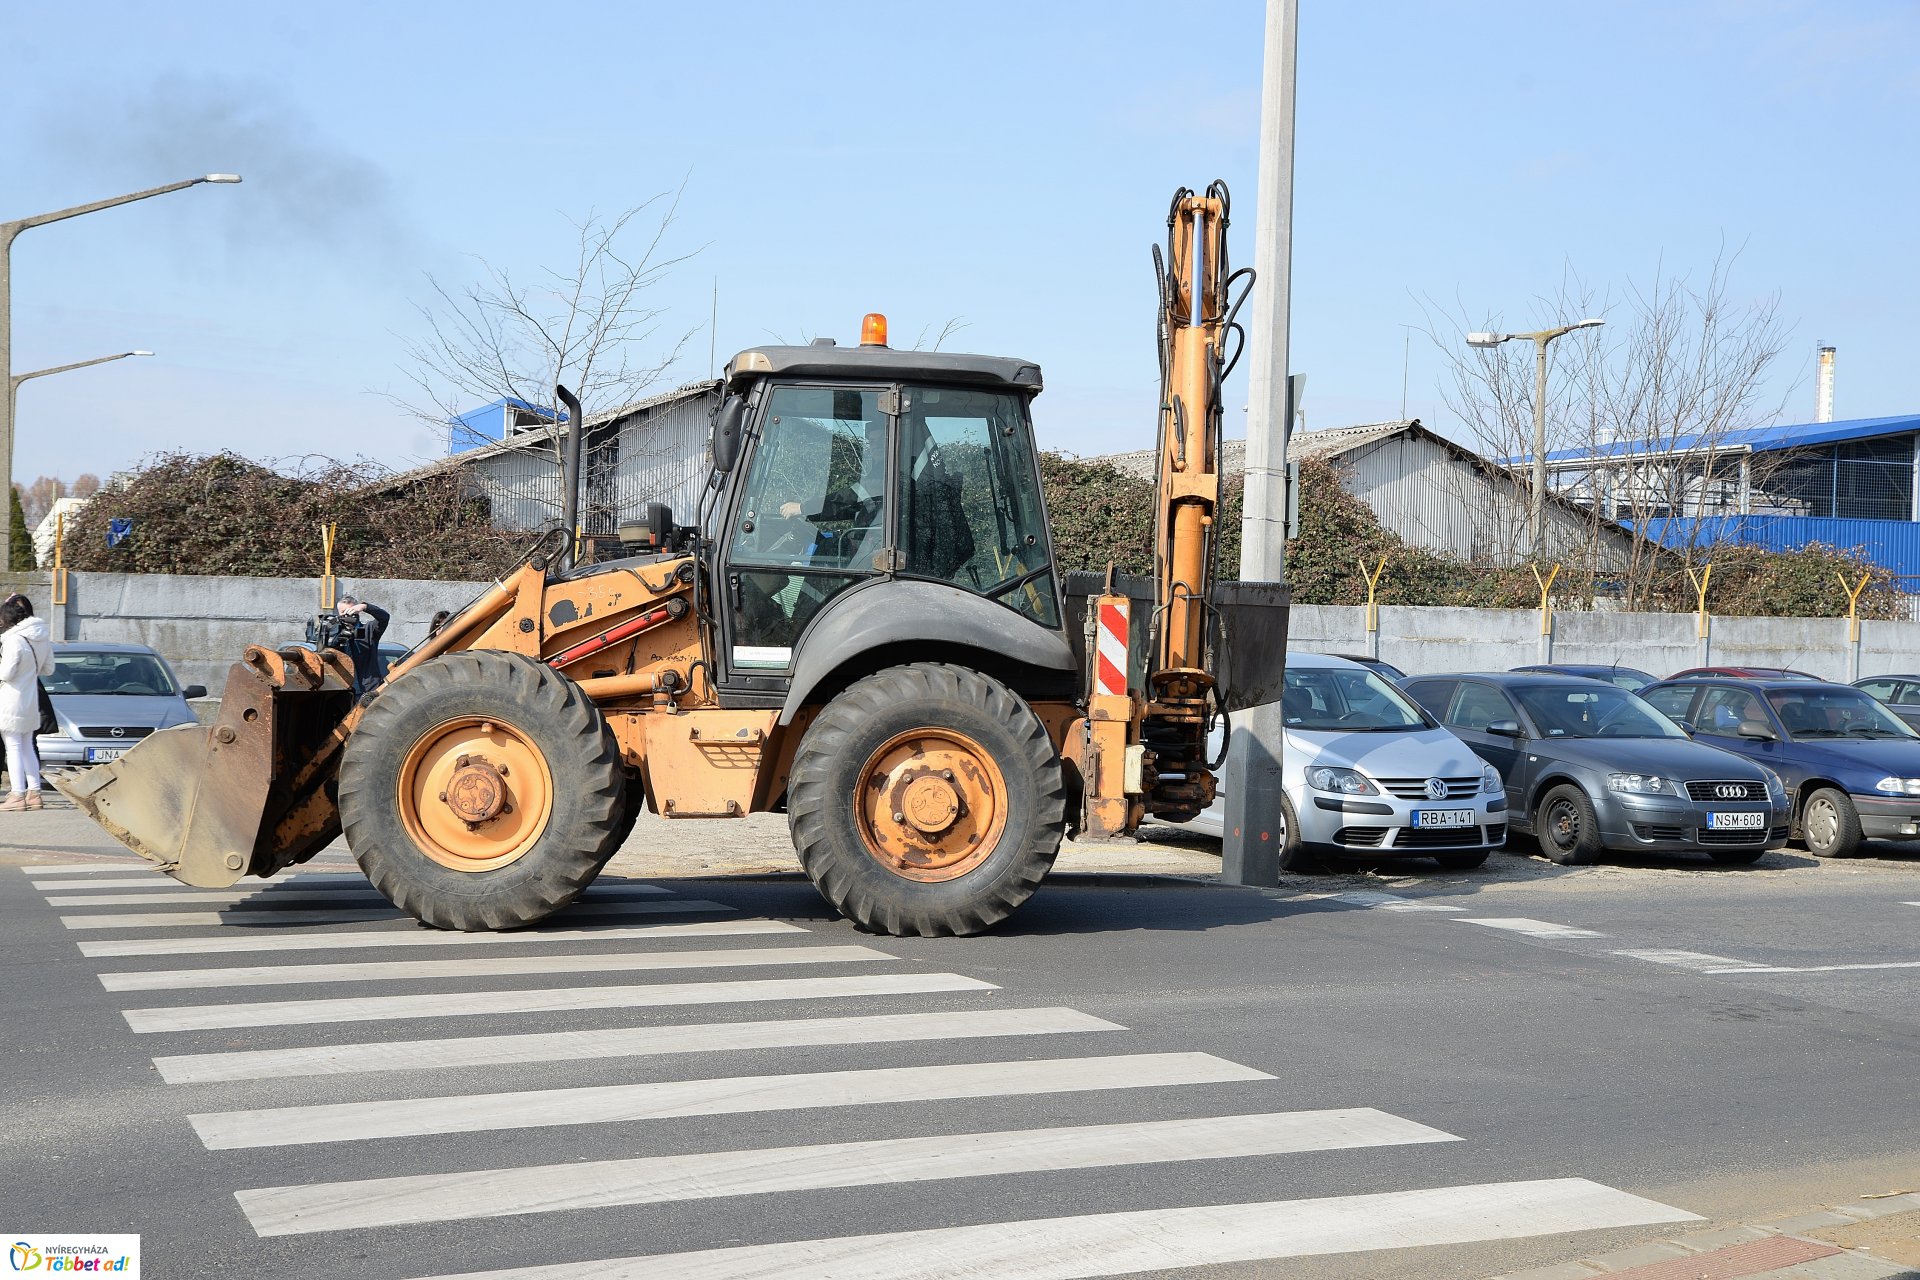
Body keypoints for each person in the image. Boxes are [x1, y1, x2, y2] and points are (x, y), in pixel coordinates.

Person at [0, 594, 56, 810]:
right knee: (27, 747)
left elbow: (6, 673)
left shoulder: (14, 640)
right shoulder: (41, 638)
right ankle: (35, 793)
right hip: (31, 698)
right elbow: (48, 669)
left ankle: (17, 795)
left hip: (11, 699)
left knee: (12, 747)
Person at [333, 594, 390, 696]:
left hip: (367, 690)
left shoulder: (369, 630)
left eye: (350, 611)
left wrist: (365, 606)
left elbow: (384, 618)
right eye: (343, 612)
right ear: (338, 614)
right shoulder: (334, 634)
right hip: (341, 690)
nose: (347, 616)